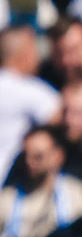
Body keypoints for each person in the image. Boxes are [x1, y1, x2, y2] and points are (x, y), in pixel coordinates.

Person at [0, 22, 56, 180]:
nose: (38, 57)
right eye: (34, 50)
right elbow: (63, 117)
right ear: (23, 54)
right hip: (8, 184)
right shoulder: (27, 90)